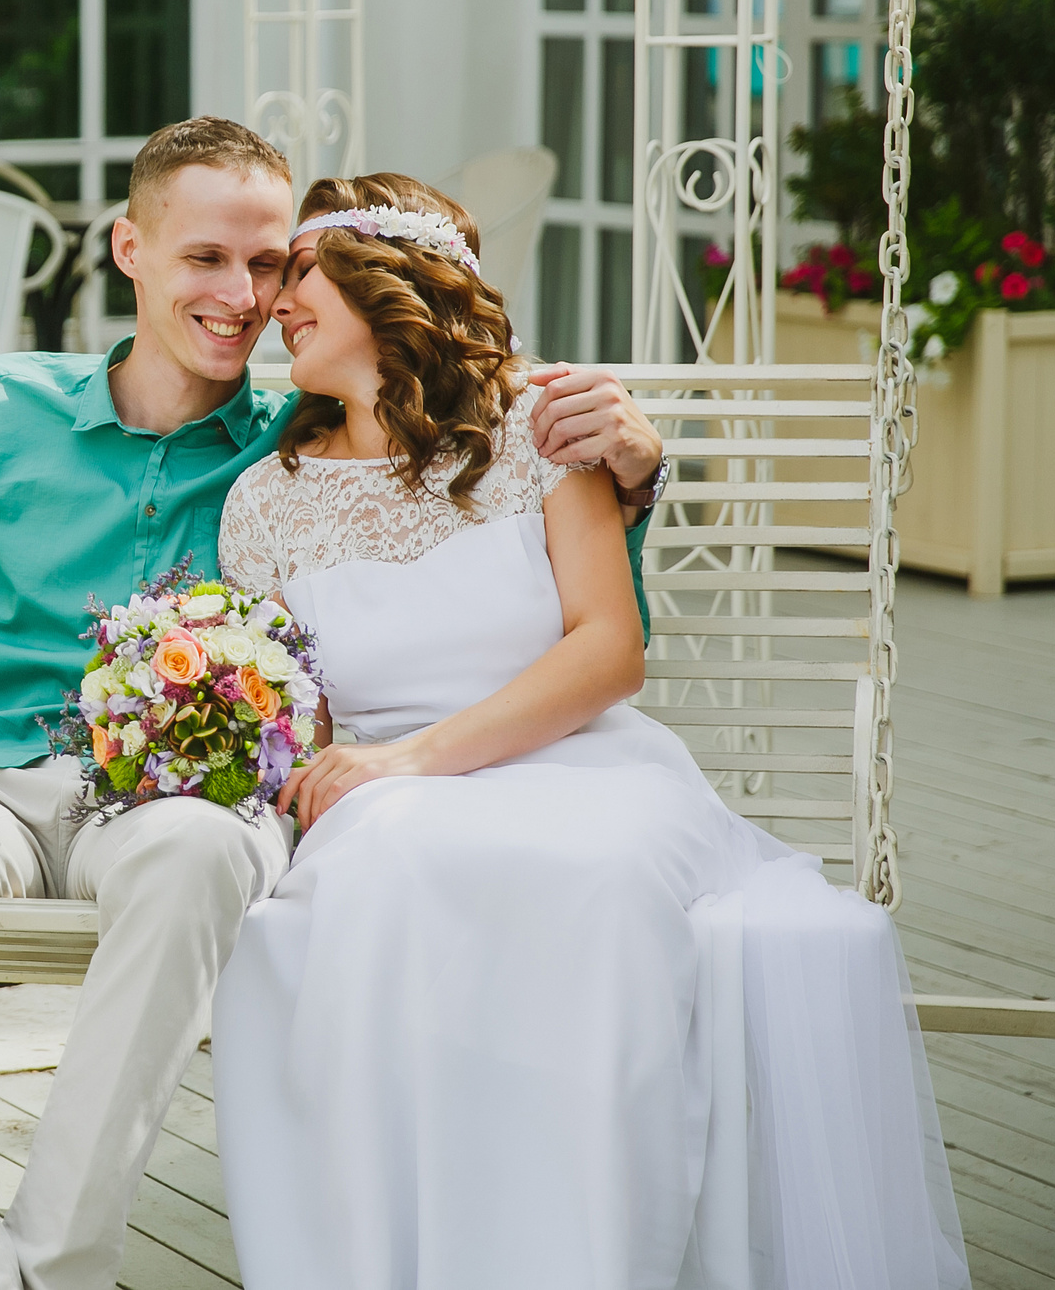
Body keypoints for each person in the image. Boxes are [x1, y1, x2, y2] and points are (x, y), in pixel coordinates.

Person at [0, 118, 669, 1290]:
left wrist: (634, 465)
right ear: (129, 247)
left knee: (199, 855)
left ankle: (62, 1261)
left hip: (179, 793)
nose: (243, 296)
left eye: (269, 266)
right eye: (206, 259)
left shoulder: (302, 439)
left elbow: (461, 456)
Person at [211, 172, 968, 1289]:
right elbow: (299, 710)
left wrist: (407, 760)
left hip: (577, 764)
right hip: (382, 797)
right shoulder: (263, 500)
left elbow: (608, 648)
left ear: (388, 280)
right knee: (376, 867)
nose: (273, 301)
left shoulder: (537, 432)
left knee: (583, 878)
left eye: (297, 273)